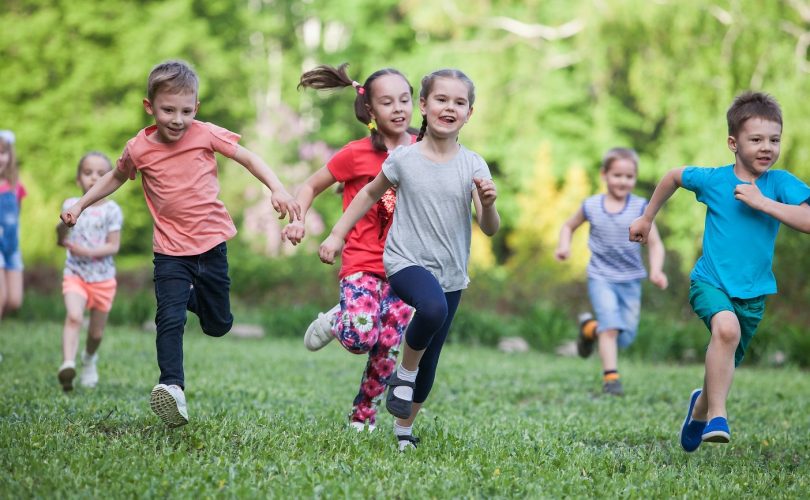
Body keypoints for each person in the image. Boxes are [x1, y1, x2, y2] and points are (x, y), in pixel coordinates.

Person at [61, 60, 300, 427]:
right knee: (168, 318)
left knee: (218, 324)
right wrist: (79, 204)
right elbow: (115, 177)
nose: (177, 119)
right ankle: (172, 387)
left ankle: (187, 297)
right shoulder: (138, 148)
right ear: (149, 107)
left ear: (197, 108)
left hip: (211, 247)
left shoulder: (205, 134)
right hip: (170, 252)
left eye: (186, 111)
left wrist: (278, 188)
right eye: (168, 110)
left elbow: (248, 157)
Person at [319, 69, 500, 451]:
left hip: (451, 272)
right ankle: (403, 372)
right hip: (404, 262)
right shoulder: (404, 158)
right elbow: (368, 196)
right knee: (430, 309)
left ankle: (404, 429)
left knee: (430, 360)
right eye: (441, 99)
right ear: (424, 105)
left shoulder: (474, 165)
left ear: (470, 112)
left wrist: (487, 204)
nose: (449, 107)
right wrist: (337, 235)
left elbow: (489, 228)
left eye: (459, 102)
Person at [629, 91, 810, 451]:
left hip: (753, 296)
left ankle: (701, 408)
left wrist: (764, 203)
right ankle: (718, 417)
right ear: (733, 142)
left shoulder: (780, 184)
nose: (766, 147)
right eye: (755, 139)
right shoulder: (713, 180)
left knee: (723, 363)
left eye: (774, 139)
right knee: (724, 329)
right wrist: (647, 217)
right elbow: (673, 176)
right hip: (709, 282)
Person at [283, 64, 415, 431]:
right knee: (360, 336)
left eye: (405, 99)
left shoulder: (424, 149)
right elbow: (310, 186)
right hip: (361, 261)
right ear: (371, 111)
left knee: (387, 346)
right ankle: (337, 319)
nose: (399, 108)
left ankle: (363, 416)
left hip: (407, 266)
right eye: (388, 102)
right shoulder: (356, 154)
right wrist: (299, 220)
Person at [555, 147, 668, 396]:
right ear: (604, 174)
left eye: (629, 176)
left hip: (631, 280)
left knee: (624, 336)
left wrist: (656, 270)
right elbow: (568, 226)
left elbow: (656, 243)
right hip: (601, 277)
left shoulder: (641, 207)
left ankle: (588, 329)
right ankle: (611, 379)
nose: (623, 181)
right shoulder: (592, 206)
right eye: (617, 175)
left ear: (635, 178)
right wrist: (564, 246)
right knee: (611, 327)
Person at [56, 152, 123, 392]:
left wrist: (84, 250)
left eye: (100, 174)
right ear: (78, 179)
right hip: (75, 274)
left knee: (96, 333)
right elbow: (60, 237)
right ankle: (67, 364)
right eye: (87, 173)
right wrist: (61, 228)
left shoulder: (112, 210)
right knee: (74, 316)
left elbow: (113, 246)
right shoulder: (69, 205)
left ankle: (88, 359)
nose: (93, 178)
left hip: (103, 279)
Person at [0, 130, 26, 324]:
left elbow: (16, 217)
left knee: (14, 301)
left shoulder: (15, 187)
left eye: (2, 152)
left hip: (12, 248)